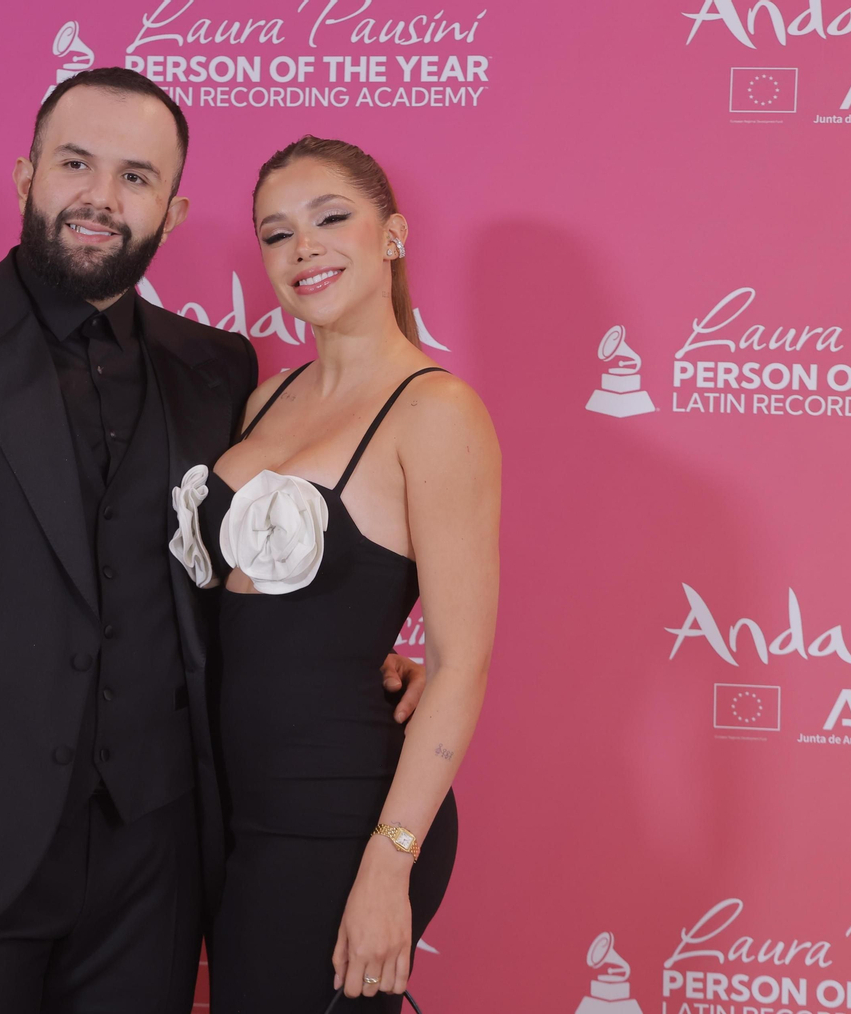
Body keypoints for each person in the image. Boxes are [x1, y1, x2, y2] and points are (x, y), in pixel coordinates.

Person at [0, 71, 427, 1013]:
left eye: (136, 176)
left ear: (173, 209)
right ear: (27, 175)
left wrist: (356, 656)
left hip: (154, 863)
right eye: (76, 164)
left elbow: (237, 573)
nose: (101, 197)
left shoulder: (217, 368)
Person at [170, 136, 501, 1011]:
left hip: (343, 817)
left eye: (329, 219)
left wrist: (390, 863)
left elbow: (460, 664)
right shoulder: (264, 399)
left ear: (392, 234)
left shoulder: (437, 411)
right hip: (232, 811)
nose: (303, 248)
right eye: (277, 233)